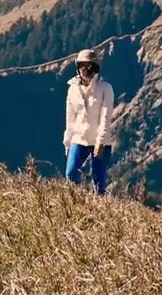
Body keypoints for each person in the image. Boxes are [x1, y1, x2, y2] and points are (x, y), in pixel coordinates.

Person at [63, 48, 115, 195]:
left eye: (89, 66)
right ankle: (76, 202)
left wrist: (100, 141)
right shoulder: (73, 89)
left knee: (98, 182)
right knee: (71, 172)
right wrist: (67, 141)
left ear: (95, 68)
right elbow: (70, 117)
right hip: (79, 139)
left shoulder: (105, 89)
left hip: (100, 141)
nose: (85, 69)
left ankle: (98, 210)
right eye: (82, 65)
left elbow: (106, 117)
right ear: (78, 67)